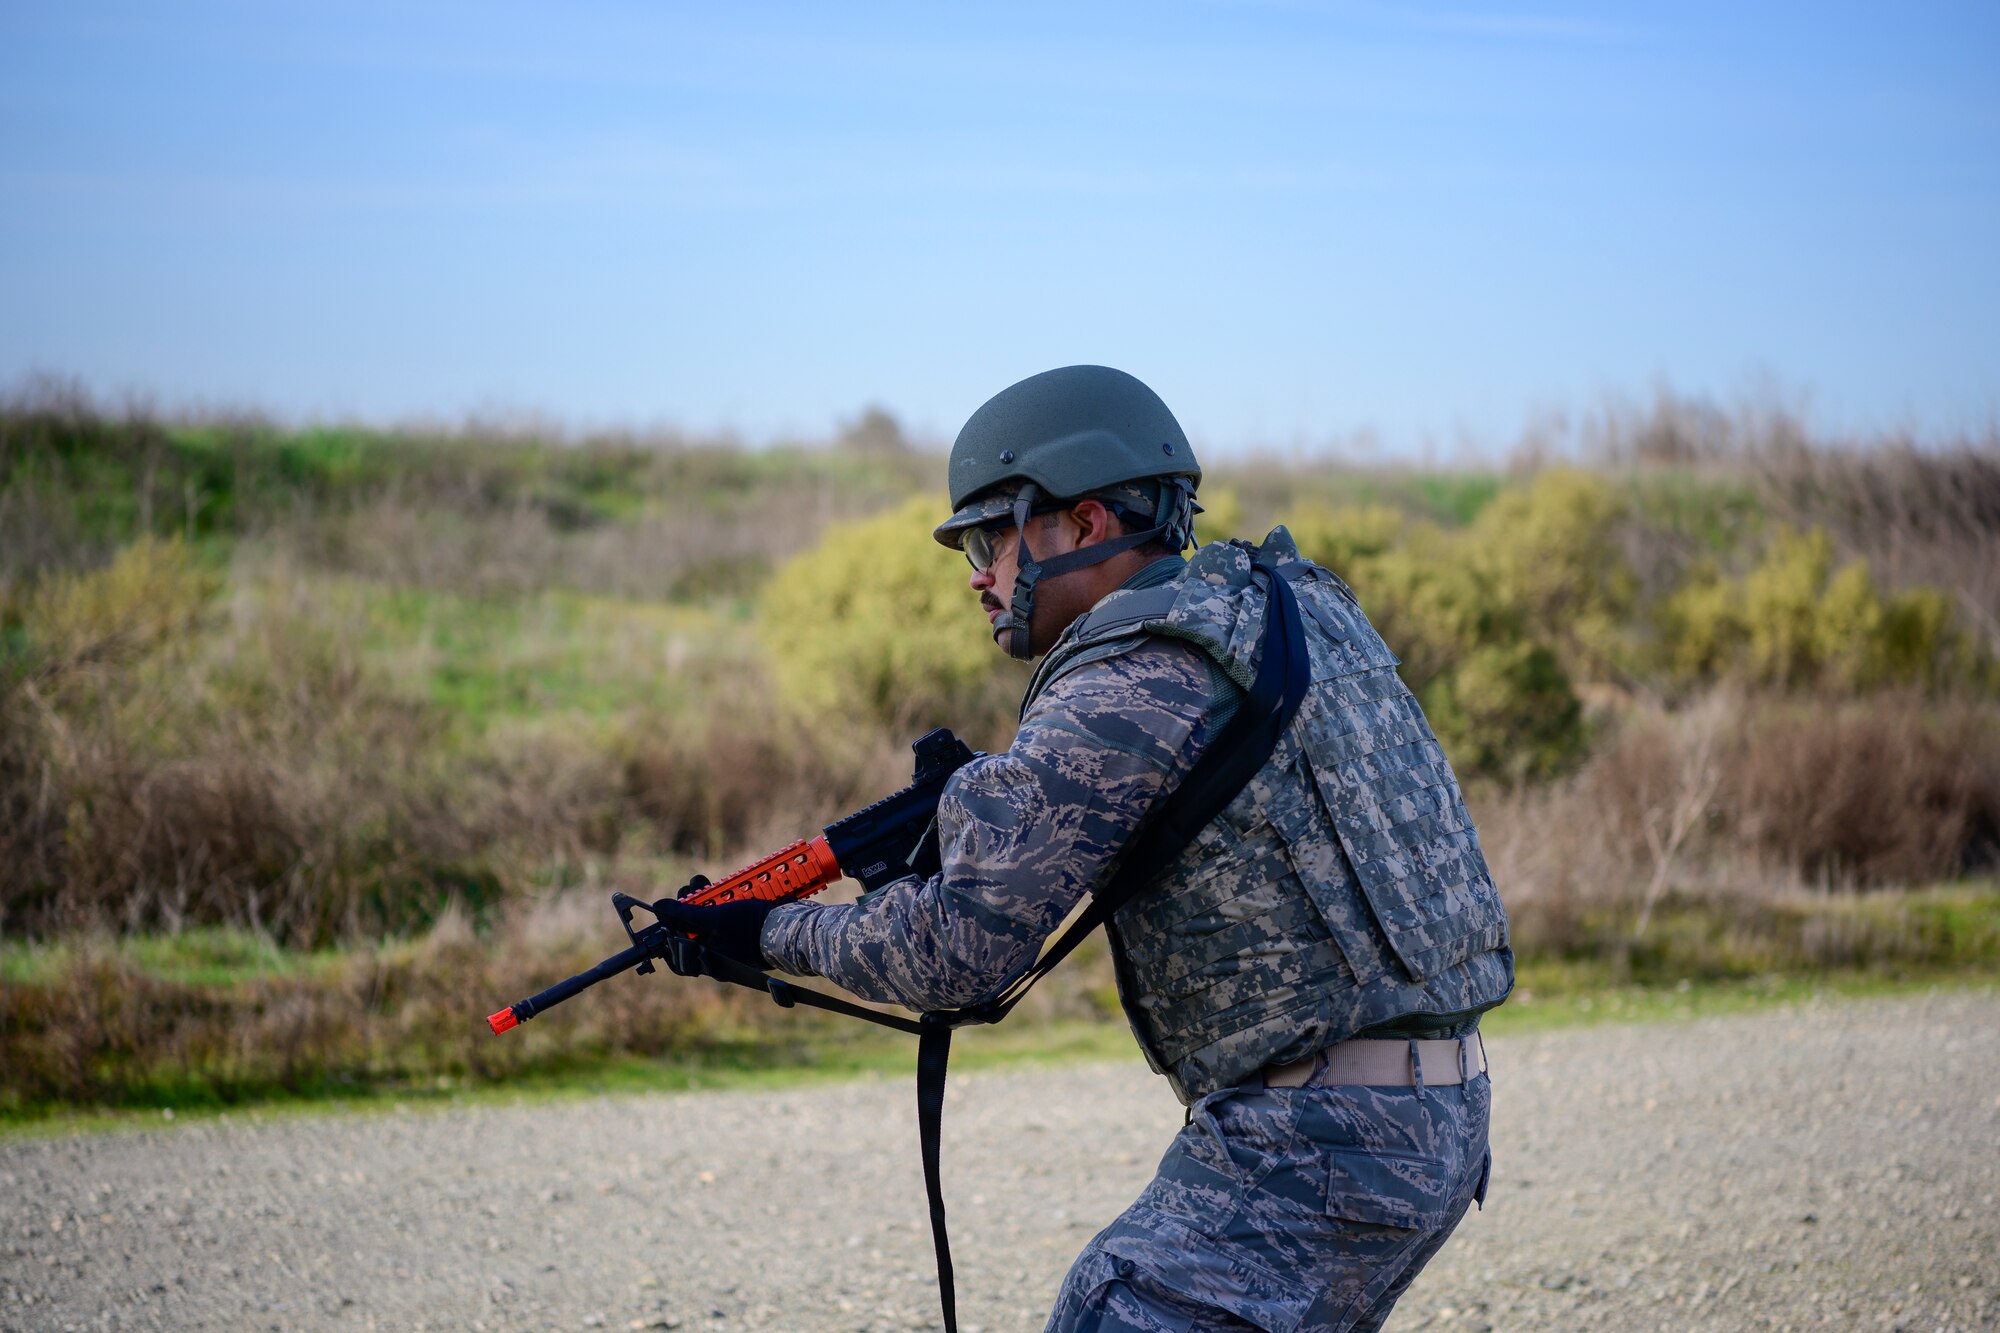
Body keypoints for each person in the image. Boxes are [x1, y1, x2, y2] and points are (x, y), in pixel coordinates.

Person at [657, 365, 1514, 1332]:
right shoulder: (1283, 606)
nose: (980, 573)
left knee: (1114, 1309)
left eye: (992, 536)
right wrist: (989, 810)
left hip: (1316, 1137)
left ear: (1087, 522)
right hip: (1438, 1112)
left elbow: (957, 956)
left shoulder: (1130, 677)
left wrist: (765, 931)